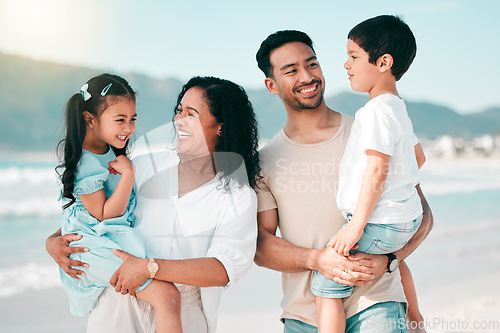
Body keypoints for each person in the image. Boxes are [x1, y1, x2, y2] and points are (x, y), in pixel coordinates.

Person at [46, 76, 260, 333]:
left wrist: (149, 267)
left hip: (182, 311)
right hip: (118, 301)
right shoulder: (145, 164)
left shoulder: (237, 195)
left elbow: (224, 268)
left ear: (221, 126)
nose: (179, 119)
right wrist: (53, 241)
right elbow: (96, 213)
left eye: (191, 113)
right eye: (179, 110)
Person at [254, 30, 433, 333]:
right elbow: (260, 246)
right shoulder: (265, 161)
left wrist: (391, 259)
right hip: (302, 316)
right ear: (271, 85)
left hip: (377, 305)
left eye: (312, 64)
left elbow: (420, 213)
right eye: (291, 70)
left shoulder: (367, 130)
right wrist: (317, 260)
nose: (307, 76)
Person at [310, 15, 426, 333]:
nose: (346, 65)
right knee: (393, 262)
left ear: (383, 62)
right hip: (404, 219)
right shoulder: (397, 107)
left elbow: (376, 171)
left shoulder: (374, 111)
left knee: (325, 279)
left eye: (354, 56)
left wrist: (354, 228)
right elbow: (419, 156)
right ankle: (416, 319)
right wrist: (400, 188)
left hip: (380, 224)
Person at [54, 73, 182, 333]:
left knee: (166, 290)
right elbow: (104, 214)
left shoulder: (108, 152)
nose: (129, 128)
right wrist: (129, 175)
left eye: (133, 119)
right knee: (167, 296)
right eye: (120, 120)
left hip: (107, 238)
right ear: (90, 119)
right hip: (93, 244)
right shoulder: (86, 163)